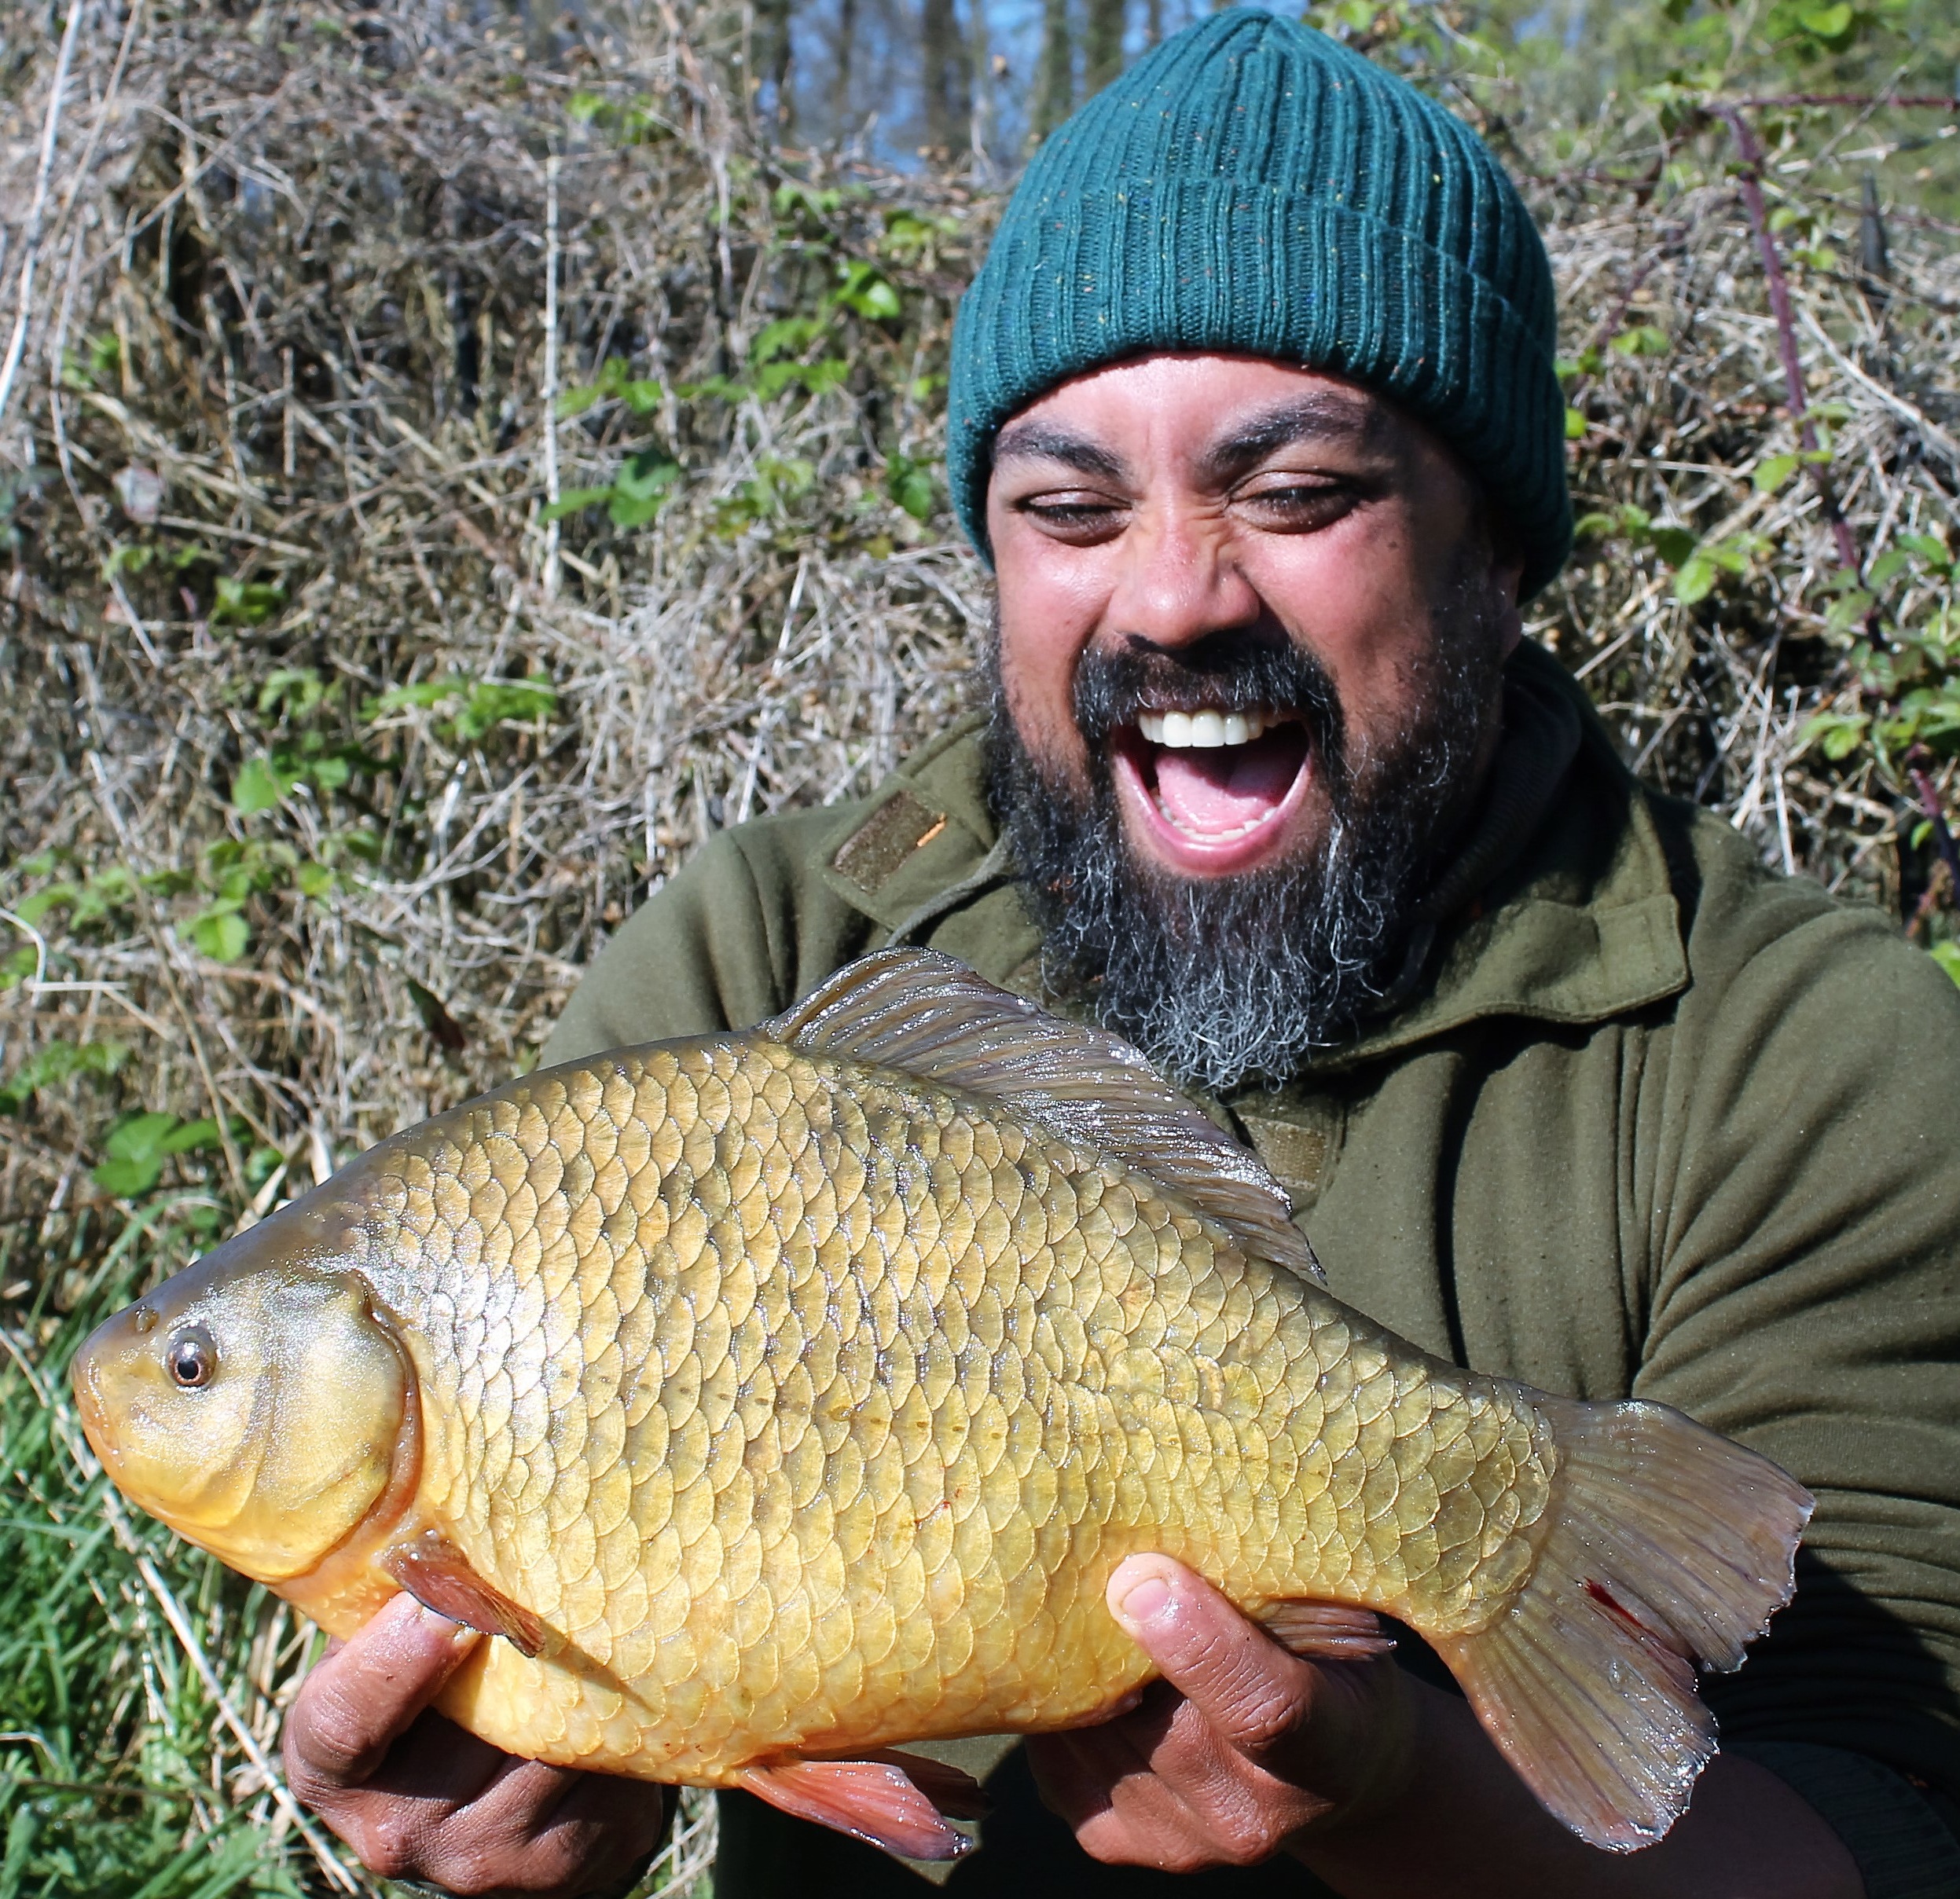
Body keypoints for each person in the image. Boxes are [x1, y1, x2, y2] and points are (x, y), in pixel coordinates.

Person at [279, 13, 1960, 1897]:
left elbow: (1881, 1831)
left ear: (1496, 548)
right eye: (1068, 510)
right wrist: (516, 1834)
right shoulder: (767, 954)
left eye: (1296, 493)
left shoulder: (1802, 1057)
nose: (1170, 595)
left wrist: (1408, 1802)